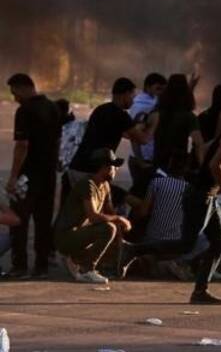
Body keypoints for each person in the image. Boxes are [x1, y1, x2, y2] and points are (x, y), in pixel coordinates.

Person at [118, 103, 221, 305]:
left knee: (219, 242)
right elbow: (214, 164)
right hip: (201, 195)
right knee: (186, 244)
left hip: (208, 194)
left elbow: (208, 150)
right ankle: (134, 250)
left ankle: (200, 292)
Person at [5, 73, 62, 279]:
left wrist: (13, 177)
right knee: (43, 222)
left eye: (14, 93)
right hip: (48, 175)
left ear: (23, 88)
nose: (15, 98)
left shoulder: (24, 111)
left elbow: (22, 145)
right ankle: (41, 266)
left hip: (28, 176)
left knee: (19, 221)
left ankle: (19, 266)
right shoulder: (53, 108)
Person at [65, 78, 153, 202]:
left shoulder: (100, 109)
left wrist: (136, 128)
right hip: (91, 172)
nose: (133, 100)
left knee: (80, 211)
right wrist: (153, 125)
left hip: (76, 167)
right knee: (95, 212)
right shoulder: (121, 116)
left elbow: (124, 134)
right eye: (132, 96)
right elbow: (143, 140)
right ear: (125, 94)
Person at [54, 148, 131, 284]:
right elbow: (94, 216)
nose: (116, 170)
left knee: (114, 230)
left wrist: (120, 241)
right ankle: (86, 270)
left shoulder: (105, 186)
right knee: (108, 228)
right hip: (67, 236)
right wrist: (119, 219)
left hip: (82, 235)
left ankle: (76, 259)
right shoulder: (87, 184)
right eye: (114, 167)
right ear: (105, 167)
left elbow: (110, 213)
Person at [150, 74, 204, 175]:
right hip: (177, 166)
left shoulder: (157, 113)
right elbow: (198, 142)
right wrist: (203, 166)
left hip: (157, 164)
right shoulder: (189, 116)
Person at [128, 73, 167, 193]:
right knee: (142, 197)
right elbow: (134, 135)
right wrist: (141, 162)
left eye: (163, 89)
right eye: (158, 88)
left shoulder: (152, 102)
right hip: (143, 158)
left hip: (144, 158)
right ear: (147, 87)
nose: (160, 92)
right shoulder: (143, 106)